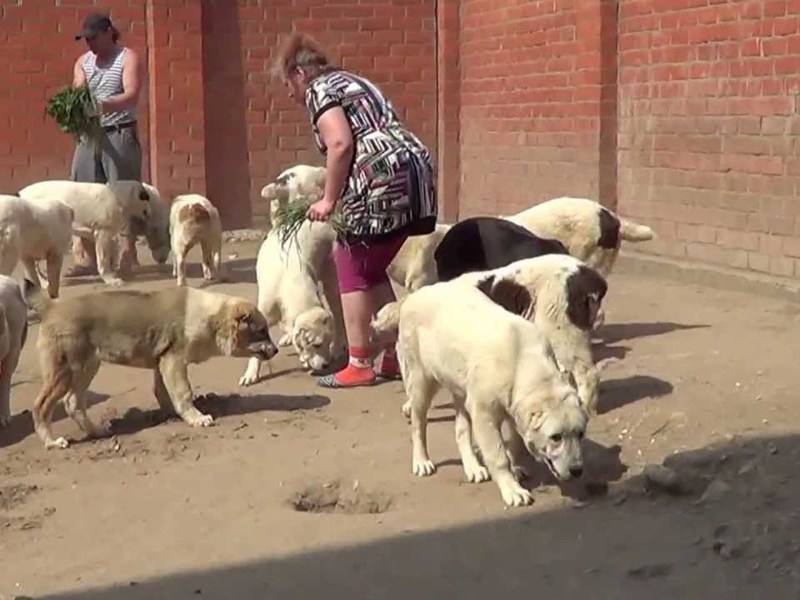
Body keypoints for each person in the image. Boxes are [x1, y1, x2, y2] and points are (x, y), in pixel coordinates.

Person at [273, 33, 438, 389]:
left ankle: (359, 362)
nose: (290, 94)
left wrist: (329, 200)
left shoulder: (320, 89)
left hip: (381, 174)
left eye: (288, 84)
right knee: (371, 266)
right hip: (413, 168)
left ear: (300, 73)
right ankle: (397, 354)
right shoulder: (353, 80)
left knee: (348, 260)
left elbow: (340, 142)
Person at [68, 11, 145, 277]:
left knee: (122, 194)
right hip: (89, 134)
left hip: (119, 131)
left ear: (108, 32)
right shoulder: (83, 62)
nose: (89, 44)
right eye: (85, 39)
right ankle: (87, 258)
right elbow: (78, 89)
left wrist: (101, 106)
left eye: (93, 38)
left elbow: (131, 95)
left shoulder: (128, 58)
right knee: (84, 192)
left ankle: (127, 255)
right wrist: (74, 106)